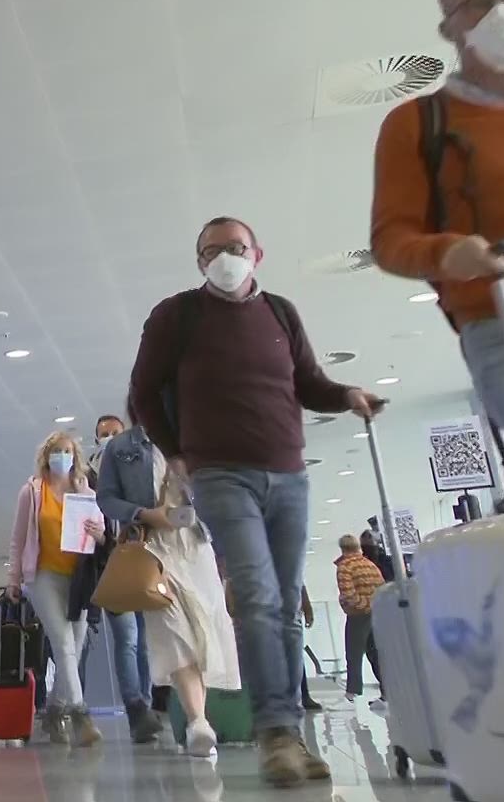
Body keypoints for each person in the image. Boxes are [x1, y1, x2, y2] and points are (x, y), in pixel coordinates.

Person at [127, 216, 382, 786]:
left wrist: (347, 395)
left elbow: (308, 382)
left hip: (288, 474)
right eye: (211, 251)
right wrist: (176, 454)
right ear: (199, 262)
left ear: (257, 254)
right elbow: (142, 391)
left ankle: (290, 730)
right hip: (220, 474)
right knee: (259, 595)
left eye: (235, 247)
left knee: (286, 603)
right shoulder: (176, 317)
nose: (224, 257)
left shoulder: (280, 313)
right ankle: (274, 733)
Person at [371, 0, 504, 498]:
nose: (501, 14)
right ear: (449, 27)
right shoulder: (417, 124)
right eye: (480, 4)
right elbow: (390, 240)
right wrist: (448, 253)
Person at [133, 436, 241, 757]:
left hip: (196, 546)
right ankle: (197, 720)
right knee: (175, 629)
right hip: (154, 548)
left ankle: (199, 720)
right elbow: (109, 500)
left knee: (201, 632)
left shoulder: (197, 441)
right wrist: (145, 514)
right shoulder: (125, 451)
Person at [7, 431, 107, 746]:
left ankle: (53, 711)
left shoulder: (85, 491)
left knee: (75, 646)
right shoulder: (32, 491)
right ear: (46, 456)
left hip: (78, 576)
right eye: (56, 451)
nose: (61, 456)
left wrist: (99, 532)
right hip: (42, 576)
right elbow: (18, 539)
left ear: (75, 457)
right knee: (63, 643)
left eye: (67, 451)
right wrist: (13, 578)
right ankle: (80, 715)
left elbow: (101, 533)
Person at [90, 413, 170, 742]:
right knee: (128, 638)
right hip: (110, 565)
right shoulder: (88, 478)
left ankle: (146, 705)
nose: (109, 438)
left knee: (145, 639)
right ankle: (135, 707)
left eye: (114, 432)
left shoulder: (136, 467)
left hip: (143, 558)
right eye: (103, 434)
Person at [333, 534, 388, 710]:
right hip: (377, 614)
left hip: (359, 615)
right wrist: (374, 606)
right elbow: (382, 587)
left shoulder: (345, 566)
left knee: (354, 654)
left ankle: (351, 694)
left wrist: (362, 606)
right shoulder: (370, 564)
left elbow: (348, 594)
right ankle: (387, 692)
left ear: (342, 548)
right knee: (377, 654)